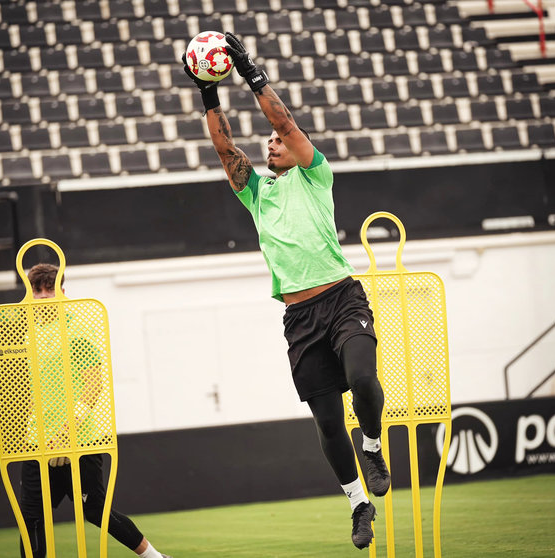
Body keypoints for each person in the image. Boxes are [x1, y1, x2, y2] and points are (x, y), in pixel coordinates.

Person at [183, 33, 391, 550]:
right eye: (269, 144)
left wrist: (248, 71)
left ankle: (372, 444)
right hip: (299, 318)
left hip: (342, 298)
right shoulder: (256, 192)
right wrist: (208, 92)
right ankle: (357, 505)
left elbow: (285, 122)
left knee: (363, 380)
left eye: (276, 142)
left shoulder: (315, 175)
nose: (271, 143)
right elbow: (224, 147)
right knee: (325, 422)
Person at [19, 263, 171, 558]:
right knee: (31, 521)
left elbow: (93, 384)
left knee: (97, 512)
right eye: (36, 289)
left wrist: (68, 430)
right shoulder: (24, 336)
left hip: (80, 441)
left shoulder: (78, 329)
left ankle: (155, 557)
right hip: (37, 445)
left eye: (49, 288)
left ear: (62, 291)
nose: (42, 296)